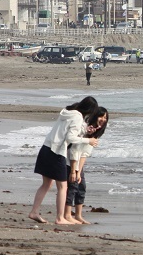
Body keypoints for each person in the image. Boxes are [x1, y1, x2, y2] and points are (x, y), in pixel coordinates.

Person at [28, 96, 100, 225]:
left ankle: (34, 211)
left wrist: (84, 130)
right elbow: (71, 137)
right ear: (89, 110)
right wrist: (88, 140)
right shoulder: (78, 117)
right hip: (56, 152)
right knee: (63, 186)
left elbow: (66, 130)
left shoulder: (67, 112)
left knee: (47, 184)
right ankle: (60, 218)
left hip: (46, 148)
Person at [64, 107, 108, 224]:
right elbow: (74, 150)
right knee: (72, 187)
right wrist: (74, 171)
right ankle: (67, 215)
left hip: (78, 162)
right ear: (94, 116)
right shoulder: (85, 128)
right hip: (69, 161)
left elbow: (85, 154)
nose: (103, 119)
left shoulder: (96, 132)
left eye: (105, 118)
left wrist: (79, 171)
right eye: (101, 116)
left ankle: (78, 215)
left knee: (81, 186)